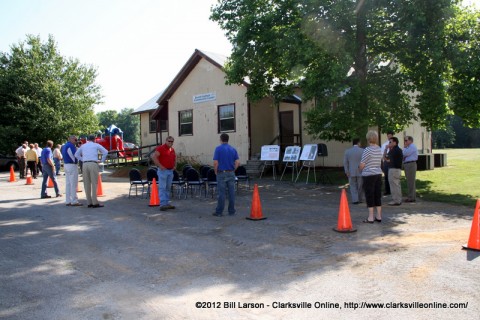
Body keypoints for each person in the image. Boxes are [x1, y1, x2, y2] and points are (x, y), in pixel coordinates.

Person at [74, 134, 108, 208]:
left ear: (88, 139)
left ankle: (89, 202)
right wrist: (101, 160)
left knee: (86, 183)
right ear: (94, 139)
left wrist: (83, 159)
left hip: (85, 164)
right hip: (93, 163)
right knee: (94, 183)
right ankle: (95, 202)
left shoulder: (83, 146)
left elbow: (76, 154)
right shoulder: (96, 145)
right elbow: (105, 151)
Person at [213, 133, 240, 217]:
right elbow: (238, 162)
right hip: (231, 172)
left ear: (221, 139)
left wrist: (215, 171)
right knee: (232, 193)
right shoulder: (233, 149)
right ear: (228, 139)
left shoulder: (218, 149)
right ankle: (231, 211)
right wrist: (233, 169)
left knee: (222, 193)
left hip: (222, 172)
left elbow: (215, 162)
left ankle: (219, 211)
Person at [359, 130, 383, 223]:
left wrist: (359, 168)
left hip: (369, 175)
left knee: (369, 195)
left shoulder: (367, 150)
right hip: (378, 174)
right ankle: (379, 216)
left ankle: (370, 217)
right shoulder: (379, 149)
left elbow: (362, 164)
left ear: (368, 139)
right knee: (377, 195)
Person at [151, 136, 176, 211]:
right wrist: (160, 166)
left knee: (168, 187)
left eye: (172, 141)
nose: (170, 143)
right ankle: (162, 204)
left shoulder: (172, 150)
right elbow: (154, 157)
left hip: (170, 171)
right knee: (162, 187)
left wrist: (175, 165)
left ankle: (166, 203)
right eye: (169, 141)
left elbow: (175, 158)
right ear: (166, 141)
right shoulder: (160, 148)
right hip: (163, 171)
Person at [62, 135, 82, 206]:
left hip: (66, 164)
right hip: (72, 165)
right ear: (72, 139)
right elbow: (75, 155)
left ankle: (68, 200)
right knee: (73, 183)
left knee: (68, 184)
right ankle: (74, 200)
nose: (76, 141)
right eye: (75, 139)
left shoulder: (65, 146)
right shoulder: (71, 146)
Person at [343, 138, 364, 204]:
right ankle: (360, 199)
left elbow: (345, 162)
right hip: (360, 171)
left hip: (351, 171)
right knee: (360, 186)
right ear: (358, 143)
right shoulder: (363, 151)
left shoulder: (347, 151)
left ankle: (355, 199)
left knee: (353, 186)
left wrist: (346, 171)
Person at [386, 137, 403, 206]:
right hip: (396, 169)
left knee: (394, 185)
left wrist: (386, 149)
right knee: (396, 185)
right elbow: (387, 158)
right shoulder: (396, 150)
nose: (389, 143)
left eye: (390, 142)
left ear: (394, 142)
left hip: (394, 169)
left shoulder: (395, 150)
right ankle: (398, 199)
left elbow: (387, 158)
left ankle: (396, 200)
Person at [403, 135, 418, 203]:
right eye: (404, 140)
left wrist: (404, 148)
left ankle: (411, 197)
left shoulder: (412, 146)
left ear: (410, 141)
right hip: (407, 164)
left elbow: (404, 153)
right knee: (409, 181)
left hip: (411, 164)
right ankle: (411, 196)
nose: (405, 142)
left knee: (411, 181)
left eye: (406, 140)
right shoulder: (408, 147)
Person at [380, 131, 394, 195]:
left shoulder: (395, 144)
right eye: (388, 136)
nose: (389, 137)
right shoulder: (384, 145)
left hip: (393, 162)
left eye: (391, 136)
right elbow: (382, 154)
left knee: (392, 177)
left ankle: (393, 190)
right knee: (386, 177)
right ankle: (387, 190)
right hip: (386, 162)